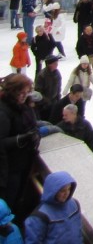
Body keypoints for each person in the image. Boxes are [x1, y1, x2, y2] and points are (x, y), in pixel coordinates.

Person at [0, 74, 40, 219]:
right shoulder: (4, 111)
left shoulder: (24, 107)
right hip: (10, 168)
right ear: (13, 91)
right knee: (10, 200)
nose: (24, 96)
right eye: (21, 93)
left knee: (18, 198)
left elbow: (33, 124)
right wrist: (20, 139)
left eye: (26, 92)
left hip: (23, 162)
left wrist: (34, 134)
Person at [23, 171, 81, 244]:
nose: (66, 193)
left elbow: (78, 233)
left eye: (69, 189)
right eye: (62, 191)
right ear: (53, 191)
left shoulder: (74, 205)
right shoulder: (39, 216)